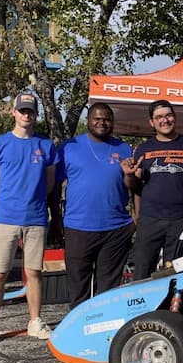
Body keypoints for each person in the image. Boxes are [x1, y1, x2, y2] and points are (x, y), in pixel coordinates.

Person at [0, 93, 57, 345]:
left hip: (36, 219)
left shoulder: (46, 145)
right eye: (22, 110)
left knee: (33, 272)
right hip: (6, 220)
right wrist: (2, 207)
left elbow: (50, 181)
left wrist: (34, 203)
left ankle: (35, 321)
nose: (26, 115)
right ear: (14, 112)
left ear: (35, 115)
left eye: (30, 111)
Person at [54, 103, 135, 309]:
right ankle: (78, 330)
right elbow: (53, 186)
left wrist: (136, 217)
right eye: (97, 118)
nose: (102, 122)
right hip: (79, 227)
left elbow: (133, 186)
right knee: (78, 285)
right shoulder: (69, 147)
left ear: (112, 122)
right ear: (88, 120)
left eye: (107, 119)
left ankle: (104, 331)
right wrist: (55, 218)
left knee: (108, 288)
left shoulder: (124, 148)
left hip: (115, 229)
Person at [128, 100, 183, 280]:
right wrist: (129, 175)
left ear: (175, 117)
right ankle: (144, 309)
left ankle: (172, 309)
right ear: (151, 122)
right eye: (159, 117)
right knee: (142, 272)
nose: (165, 120)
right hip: (150, 219)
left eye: (168, 115)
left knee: (176, 274)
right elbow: (134, 186)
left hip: (180, 219)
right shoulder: (144, 148)